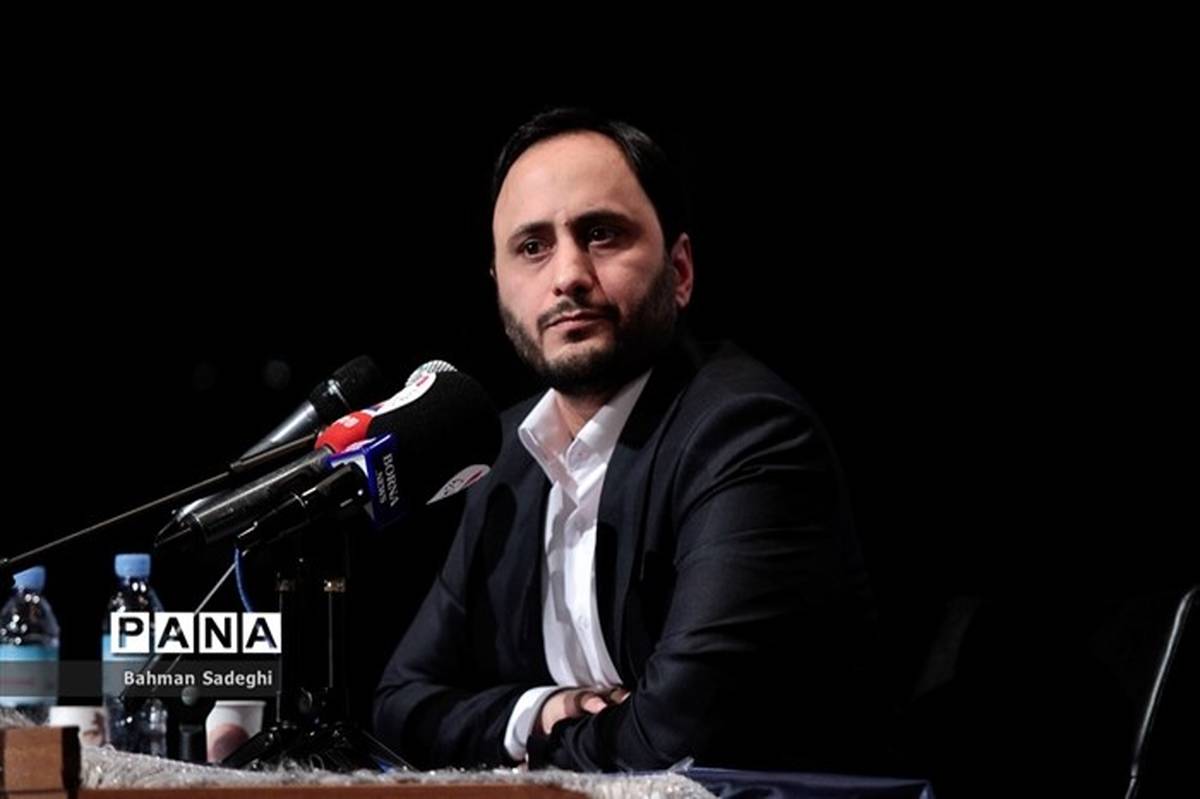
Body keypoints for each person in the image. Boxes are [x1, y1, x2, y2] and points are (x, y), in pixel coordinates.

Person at [374, 108, 878, 772]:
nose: (568, 274)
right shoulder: (504, 458)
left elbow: (674, 739)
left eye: (601, 234)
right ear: (499, 288)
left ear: (681, 270)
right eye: (533, 247)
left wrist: (529, 744)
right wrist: (541, 712)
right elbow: (400, 706)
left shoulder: (746, 434)